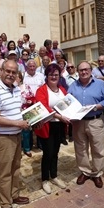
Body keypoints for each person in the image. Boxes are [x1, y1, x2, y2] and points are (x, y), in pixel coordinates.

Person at [0, 60, 30, 208]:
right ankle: (6, 204)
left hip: (17, 135)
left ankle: (14, 195)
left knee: (16, 167)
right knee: (4, 172)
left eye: (14, 72)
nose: (11, 74)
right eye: (8, 71)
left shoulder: (17, 89)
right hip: (3, 138)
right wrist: (18, 123)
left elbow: (18, 110)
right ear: (1, 71)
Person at [67, 61, 104, 189]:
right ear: (77, 71)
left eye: (86, 69)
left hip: (95, 120)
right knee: (80, 148)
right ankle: (85, 171)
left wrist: (96, 107)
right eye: (81, 70)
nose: (84, 72)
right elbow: (67, 101)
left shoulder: (100, 84)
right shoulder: (73, 86)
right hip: (78, 122)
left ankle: (97, 173)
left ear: (91, 70)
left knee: (97, 148)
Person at [34, 63, 70, 194]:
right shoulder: (41, 90)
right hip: (47, 126)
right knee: (48, 153)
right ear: (46, 76)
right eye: (51, 74)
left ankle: (54, 176)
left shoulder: (62, 89)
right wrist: (59, 116)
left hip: (59, 126)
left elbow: (67, 104)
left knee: (55, 151)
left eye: (56, 74)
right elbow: (43, 107)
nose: (53, 77)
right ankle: (45, 179)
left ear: (59, 76)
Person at [65, 63, 78, 142]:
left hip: (79, 99)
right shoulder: (65, 78)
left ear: (75, 68)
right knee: (71, 118)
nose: (70, 68)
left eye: (72, 67)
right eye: (68, 67)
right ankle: (71, 135)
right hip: (70, 99)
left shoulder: (79, 76)